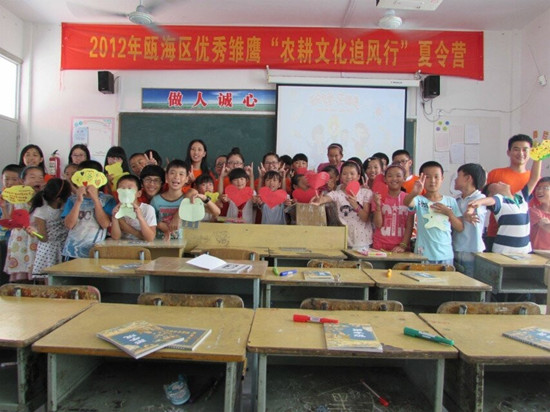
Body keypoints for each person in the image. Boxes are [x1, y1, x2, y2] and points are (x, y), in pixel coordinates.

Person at [467, 158, 541, 254]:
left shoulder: (521, 197)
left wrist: (538, 158)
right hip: (504, 251)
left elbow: (534, 178)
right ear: (492, 194)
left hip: (524, 251)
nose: (501, 182)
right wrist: (478, 202)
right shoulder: (501, 200)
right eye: (496, 184)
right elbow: (490, 200)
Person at [404, 161, 463, 264]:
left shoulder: (451, 201)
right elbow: (407, 202)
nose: (432, 181)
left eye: (436, 177)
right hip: (423, 254)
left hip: (445, 255)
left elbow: (460, 227)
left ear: (442, 178)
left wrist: (449, 213)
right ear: (421, 178)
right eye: (427, 177)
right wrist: (414, 192)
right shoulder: (419, 199)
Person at [485, 134, 533, 251]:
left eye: (525, 149)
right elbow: (485, 199)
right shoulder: (495, 174)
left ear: (531, 152)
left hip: (523, 237)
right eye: (516, 149)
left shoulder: (533, 179)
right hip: (495, 232)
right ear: (508, 152)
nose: (521, 153)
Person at [311, 161, 373, 249]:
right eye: (344, 174)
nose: (348, 176)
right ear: (340, 177)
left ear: (358, 176)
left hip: (362, 241)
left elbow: (365, 218)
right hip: (343, 240)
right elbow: (326, 198)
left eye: (352, 174)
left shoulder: (366, 193)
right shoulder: (336, 194)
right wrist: (319, 201)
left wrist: (355, 205)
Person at [61, 160, 116, 259]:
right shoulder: (72, 200)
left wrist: (95, 199)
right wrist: (78, 201)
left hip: (95, 252)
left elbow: (105, 224)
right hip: (72, 252)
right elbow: (69, 225)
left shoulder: (107, 199)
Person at [3, 166, 45, 282]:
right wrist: (3, 207)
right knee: (20, 274)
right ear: (22, 181)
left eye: (40, 177)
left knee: (37, 271)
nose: (37, 180)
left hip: (36, 237)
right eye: (32, 177)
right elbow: (10, 222)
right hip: (19, 240)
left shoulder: (44, 197)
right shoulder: (16, 198)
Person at [27, 178, 72, 280]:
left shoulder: (64, 208)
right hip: (51, 251)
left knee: (59, 280)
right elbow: (44, 238)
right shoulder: (42, 211)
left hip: (61, 249)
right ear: (59, 199)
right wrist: (35, 233)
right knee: (52, 280)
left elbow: (43, 237)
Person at [452, 163, 487, 276]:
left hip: (471, 252)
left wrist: (466, 215)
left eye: (458, 176)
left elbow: (474, 213)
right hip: (456, 248)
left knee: (469, 282)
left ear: (468, 178)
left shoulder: (480, 198)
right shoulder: (456, 200)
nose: (455, 180)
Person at [371, 163, 414, 252]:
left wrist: (403, 245)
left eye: (398, 176)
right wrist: (378, 206)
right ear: (385, 179)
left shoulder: (408, 198)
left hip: (401, 247)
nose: (394, 179)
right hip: (380, 246)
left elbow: (409, 225)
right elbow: (378, 225)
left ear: (404, 178)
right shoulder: (378, 197)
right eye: (390, 176)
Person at [110, 174, 156, 242]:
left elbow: (150, 238)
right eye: (122, 189)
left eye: (130, 189)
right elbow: (115, 237)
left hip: (143, 246)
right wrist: (114, 218)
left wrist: (140, 217)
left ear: (139, 193)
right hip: (123, 245)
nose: (126, 192)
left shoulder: (148, 209)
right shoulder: (117, 209)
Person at [150, 159, 188, 239]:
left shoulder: (188, 200)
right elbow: (149, 222)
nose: (176, 177)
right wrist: (159, 225)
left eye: (181, 174)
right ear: (166, 177)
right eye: (172, 173)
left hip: (182, 243)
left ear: (186, 179)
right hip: (160, 242)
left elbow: (195, 223)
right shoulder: (156, 201)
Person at [0, 164, 22, 283]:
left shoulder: (23, 200)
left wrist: (5, 207)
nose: (10, 183)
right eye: (6, 179)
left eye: (14, 179)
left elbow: (9, 224)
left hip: (13, 242)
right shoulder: (1, 196)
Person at [529, 177, 550, 250]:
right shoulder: (533, 211)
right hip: (537, 252)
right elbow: (545, 226)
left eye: (545, 188)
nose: (540, 191)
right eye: (538, 188)